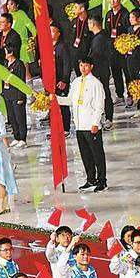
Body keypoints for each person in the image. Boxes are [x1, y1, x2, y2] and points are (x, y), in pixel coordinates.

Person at [58, 56, 107, 192]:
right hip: (79, 125)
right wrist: (55, 99)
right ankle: (90, 179)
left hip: (91, 125)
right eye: (81, 65)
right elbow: (70, 100)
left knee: (97, 154)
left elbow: (99, 105)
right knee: (85, 154)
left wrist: (95, 123)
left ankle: (102, 181)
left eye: (86, 65)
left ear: (91, 67)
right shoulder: (76, 82)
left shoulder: (96, 83)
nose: (83, 68)